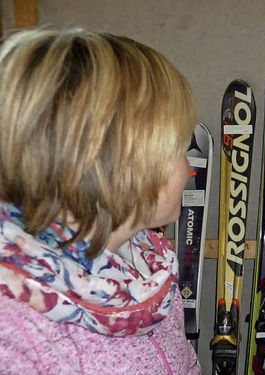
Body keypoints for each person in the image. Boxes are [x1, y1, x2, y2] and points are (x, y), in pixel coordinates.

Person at [0, 28, 201, 373]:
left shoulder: (150, 268)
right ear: (116, 162)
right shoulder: (14, 330)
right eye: (180, 150)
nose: (190, 169)